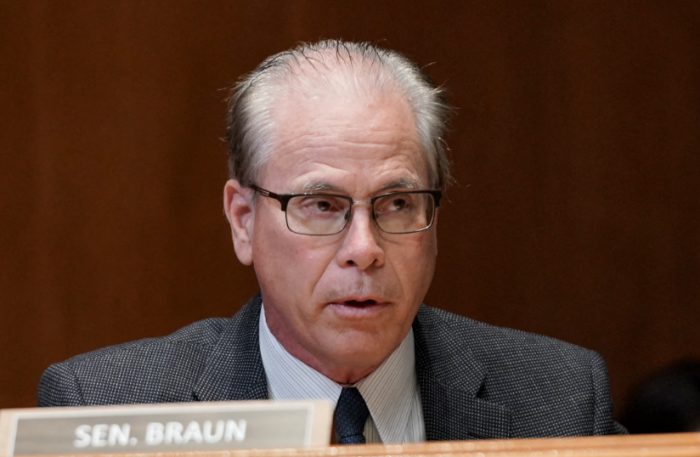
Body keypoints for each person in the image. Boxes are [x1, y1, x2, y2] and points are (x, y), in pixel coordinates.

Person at [38, 40, 625, 442]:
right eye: (322, 206)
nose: (364, 248)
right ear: (243, 220)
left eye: (397, 203)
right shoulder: (106, 410)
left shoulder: (559, 402)